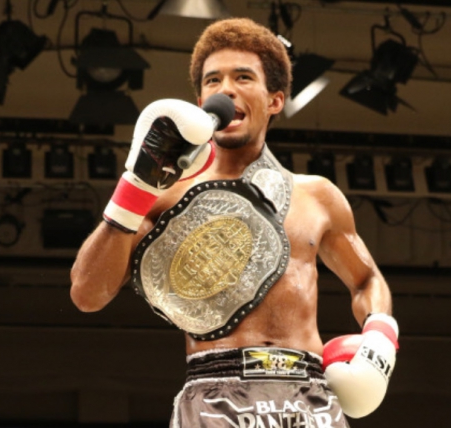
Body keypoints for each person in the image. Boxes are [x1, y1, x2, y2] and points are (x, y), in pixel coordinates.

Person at [70, 17, 399, 428]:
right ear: (200, 100)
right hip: (217, 392)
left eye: (243, 77)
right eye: (213, 80)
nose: (225, 89)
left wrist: (380, 340)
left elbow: (367, 280)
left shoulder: (317, 197)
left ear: (275, 100)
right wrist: (134, 188)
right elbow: (87, 294)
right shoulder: (165, 194)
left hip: (309, 395)